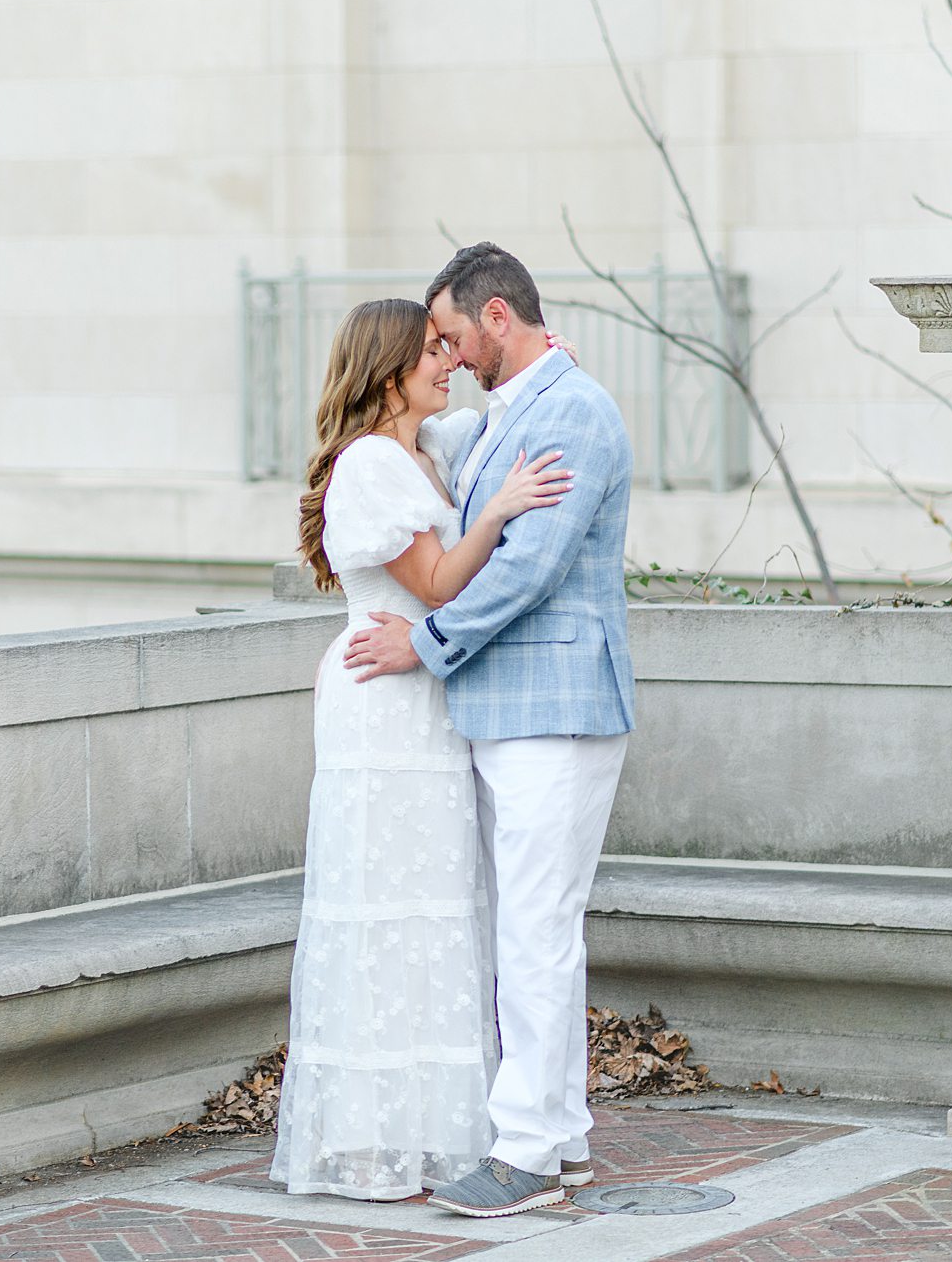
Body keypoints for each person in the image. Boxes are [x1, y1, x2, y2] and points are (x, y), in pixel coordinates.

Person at [346, 243, 636, 1219]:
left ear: (498, 318)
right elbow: (428, 450)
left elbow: (525, 574)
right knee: (532, 933)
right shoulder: (510, 415)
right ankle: (558, 1142)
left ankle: (524, 1154)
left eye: (455, 333)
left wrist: (422, 643)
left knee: (535, 935)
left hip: (555, 711)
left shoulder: (577, 415)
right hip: (510, 716)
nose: (449, 352)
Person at [268, 296, 575, 1201]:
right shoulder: (369, 466)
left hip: (427, 694)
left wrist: (537, 348)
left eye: (451, 346)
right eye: (432, 351)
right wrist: (504, 511)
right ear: (390, 368)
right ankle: (373, 1144)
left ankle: (432, 1133)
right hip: (381, 697)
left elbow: (497, 409)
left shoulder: (427, 450)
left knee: (436, 906)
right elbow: (438, 578)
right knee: (385, 905)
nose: (448, 362)